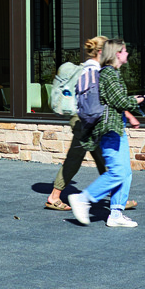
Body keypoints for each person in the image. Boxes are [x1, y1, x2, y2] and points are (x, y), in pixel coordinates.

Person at [68, 39, 145, 229]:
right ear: (117, 53)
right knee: (117, 172)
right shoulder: (108, 73)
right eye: (124, 50)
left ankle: (116, 213)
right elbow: (120, 101)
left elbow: (116, 99)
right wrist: (143, 99)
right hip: (109, 130)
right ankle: (83, 198)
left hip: (116, 128)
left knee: (125, 173)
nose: (127, 54)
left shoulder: (112, 73)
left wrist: (137, 100)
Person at [45, 35, 107, 211]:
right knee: (77, 156)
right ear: (100, 52)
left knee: (101, 156)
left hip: (84, 118)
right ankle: (54, 196)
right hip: (83, 119)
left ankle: (118, 197)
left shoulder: (90, 68)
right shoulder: (92, 70)